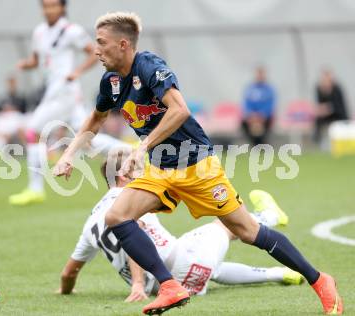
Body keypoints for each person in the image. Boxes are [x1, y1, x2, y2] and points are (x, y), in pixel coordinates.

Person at [53, 12, 343, 315]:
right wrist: (69, 153)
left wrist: (143, 146)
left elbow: (179, 110)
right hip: (161, 169)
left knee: (247, 231)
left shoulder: (150, 66)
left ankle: (320, 280)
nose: (95, 50)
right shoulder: (111, 81)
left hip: (196, 165)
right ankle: (169, 287)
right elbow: (96, 119)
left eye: (101, 43)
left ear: (123, 44)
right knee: (118, 216)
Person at [58, 157, 304, 302]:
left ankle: (277, 274)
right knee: (226, 224)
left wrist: (65, 291)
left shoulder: (91, 221)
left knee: (212, 269)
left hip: (167, 286)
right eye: (137, 168)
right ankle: (268, 216)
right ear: (123, 176)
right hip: (180, 263)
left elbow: (68, 274)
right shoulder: (127, 199)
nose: (144, 172)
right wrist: (136, 284)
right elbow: (133, 231)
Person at [9, 0, 128, 206]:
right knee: (87, 140)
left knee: (32, 132)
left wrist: (76, 72)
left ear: (62, 7)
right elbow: (37, 61)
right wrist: (26, 65)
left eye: (53, 5)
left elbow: (94, 52)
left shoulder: (71, 31)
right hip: (59, 93)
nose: (49, 10)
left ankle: (35, 189)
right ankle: (129, 150)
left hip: (63, 91)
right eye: (45, 6)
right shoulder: (39, 32)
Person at [242, 66, 276, 146]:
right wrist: (251, 114)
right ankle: (254, 144)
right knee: (244, 123)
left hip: (265, 117)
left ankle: (262, 144)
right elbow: (246, 104)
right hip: (252, 117)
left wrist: (262, 115)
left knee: (266, 124)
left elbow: (270, 104)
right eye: (258, 74)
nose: (260, 76)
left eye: (261, 74)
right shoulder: (250, 89)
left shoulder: (269, 89)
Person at [314, 69, 349, 145]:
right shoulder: (319, 89)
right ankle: (316, 141)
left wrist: (328, 108)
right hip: (326, 115)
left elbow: (339, 106)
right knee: (317, 119)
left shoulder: (337, 89)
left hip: (338, 114)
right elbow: (319, 104)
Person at [0, 76, 27, 149]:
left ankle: (28, 149)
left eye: (12, 83)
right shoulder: (3, 97)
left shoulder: (20, 97)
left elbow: (24, 110)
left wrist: (13, 109)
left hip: (17, 119)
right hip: (5, 120)